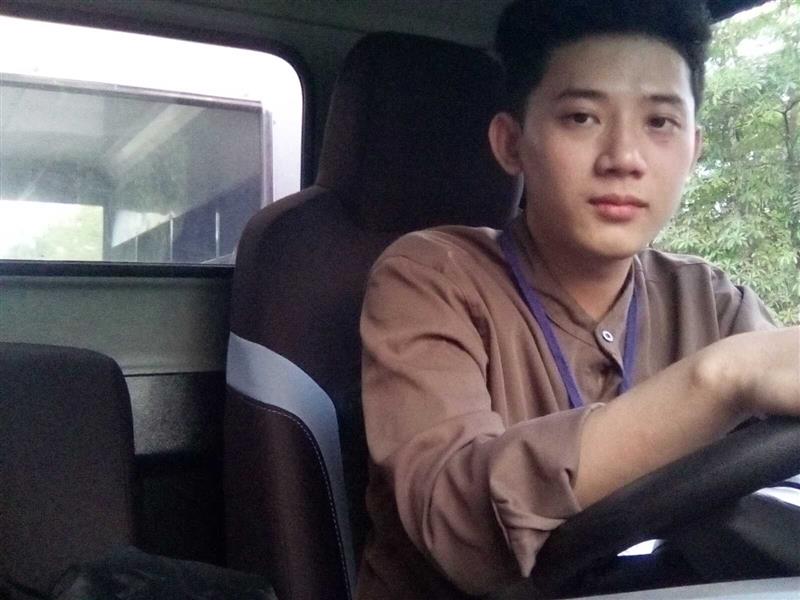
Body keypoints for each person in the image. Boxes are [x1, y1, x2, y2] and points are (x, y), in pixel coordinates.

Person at [355, 1, 800, 598]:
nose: (624, 159)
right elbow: (455, 522)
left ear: (694, 148)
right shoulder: (430, 276)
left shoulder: (714, 301)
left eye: (660, 123)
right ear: (511, 143)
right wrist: (717, 383)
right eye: (582, 117)